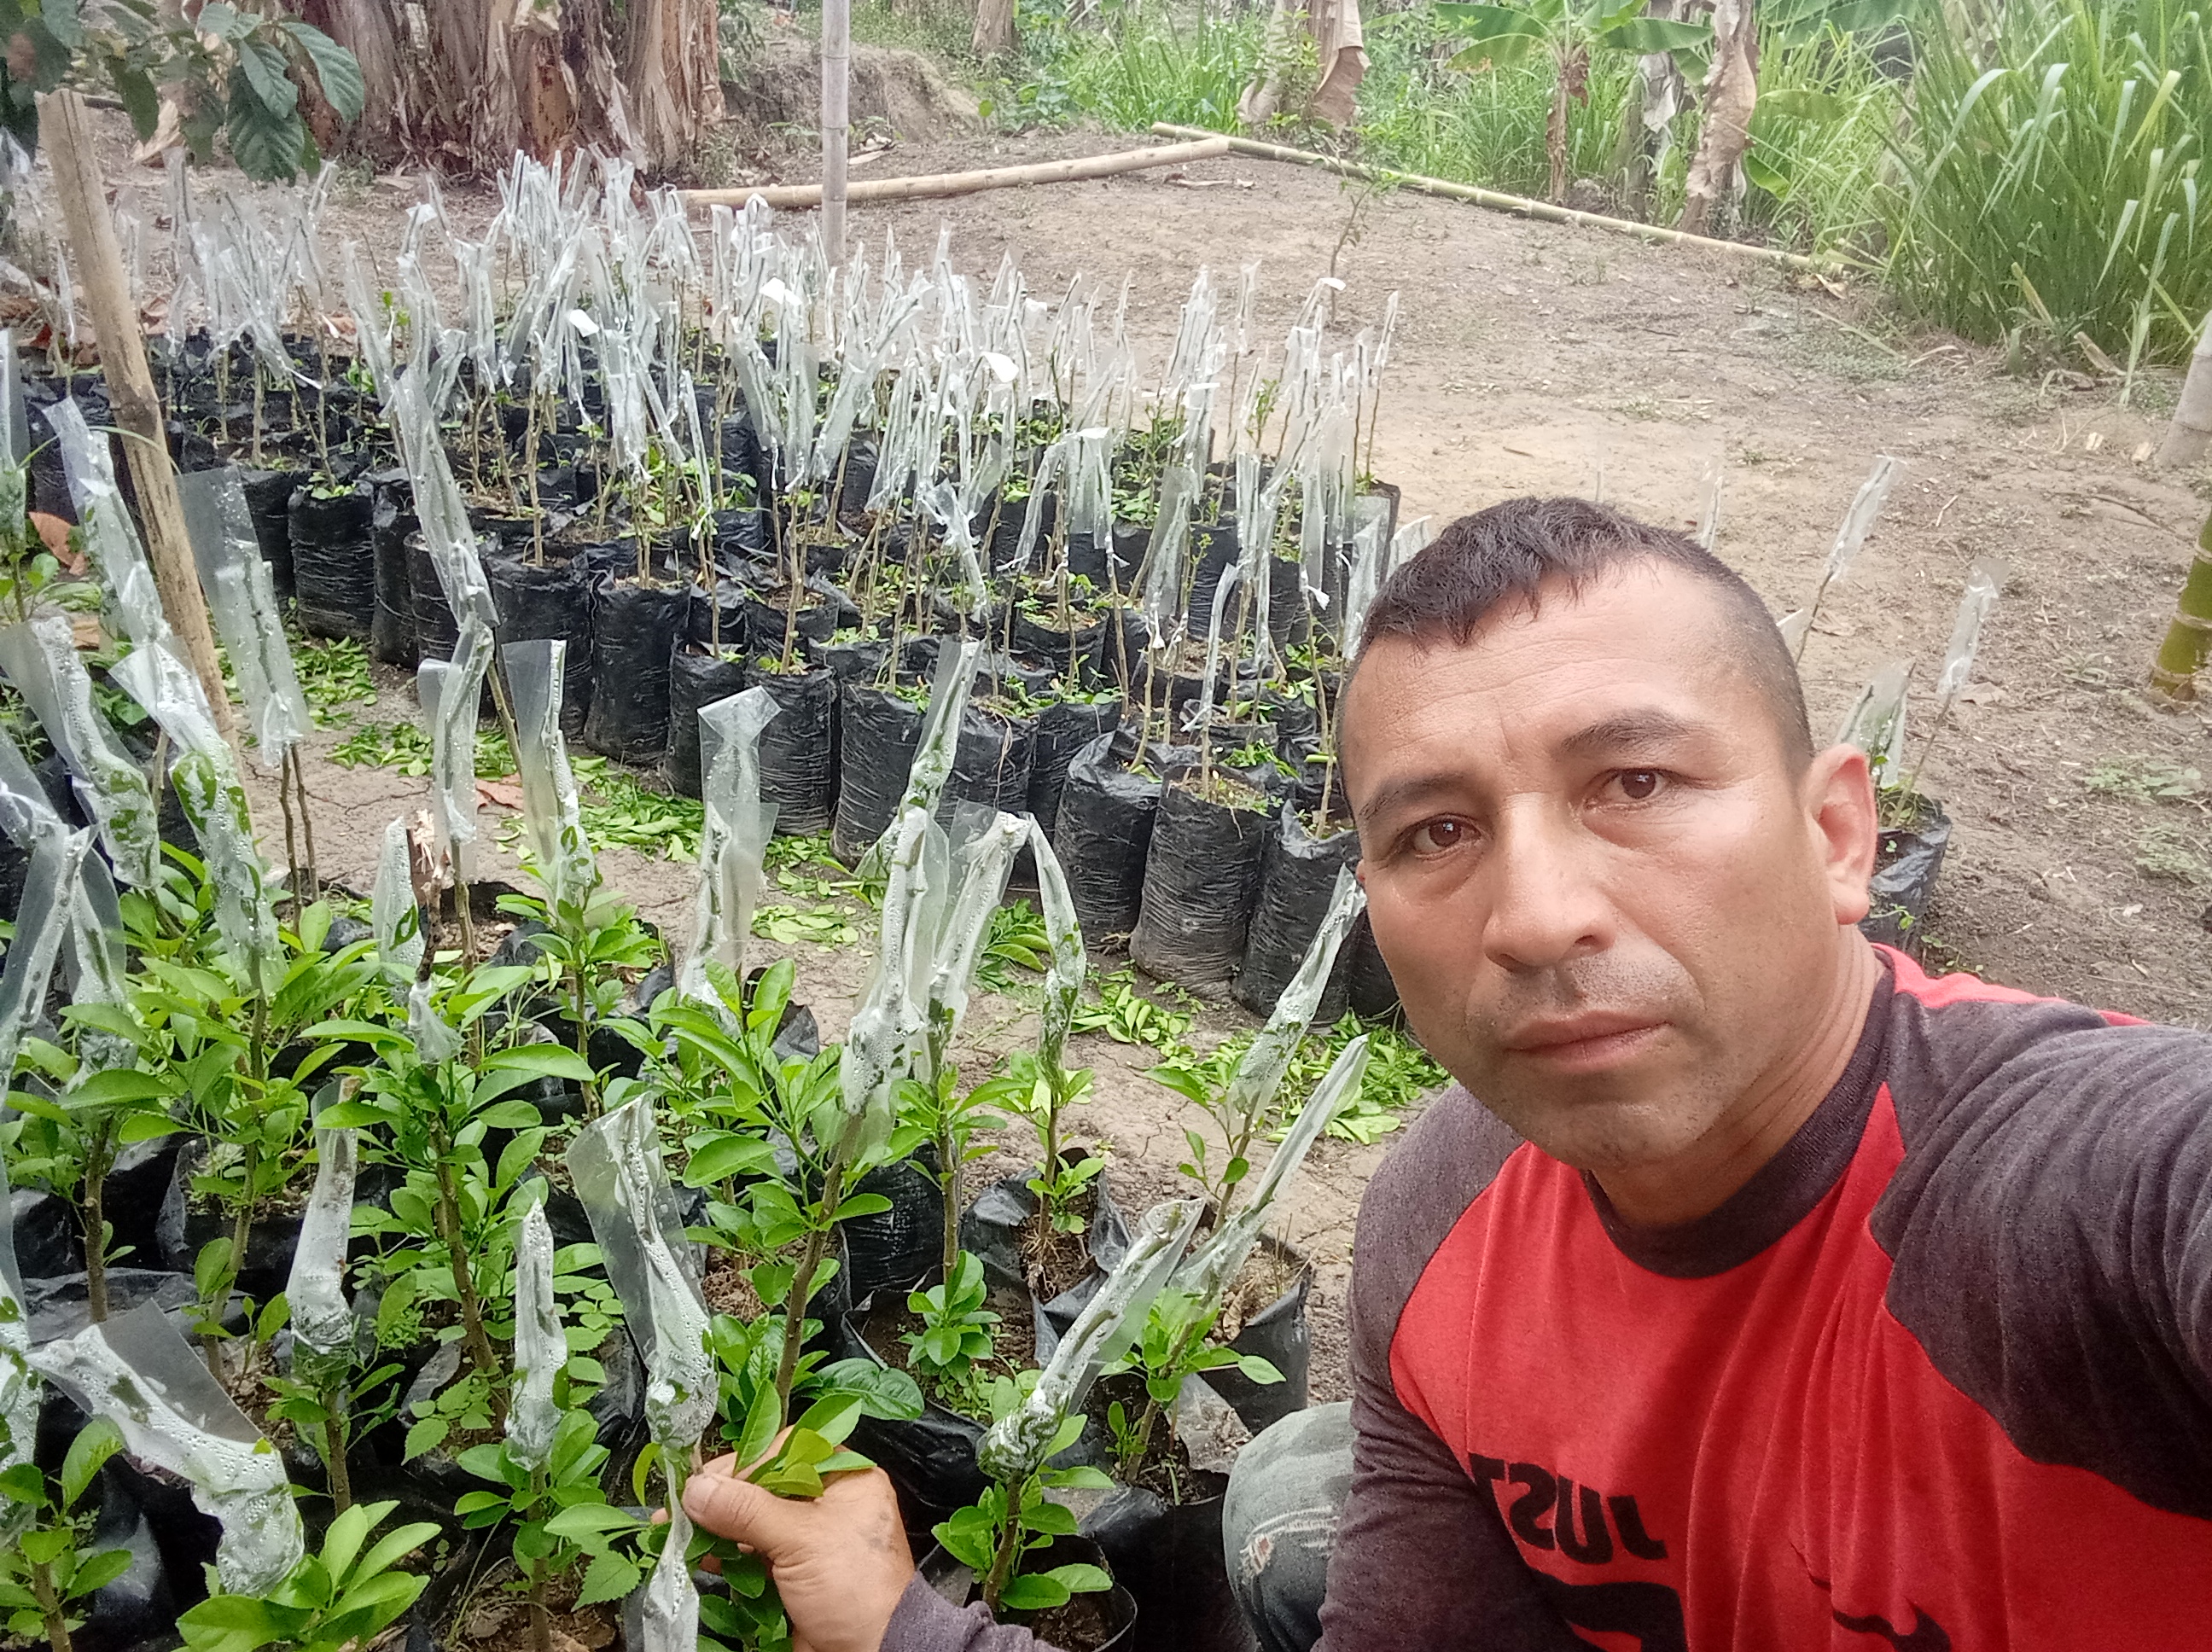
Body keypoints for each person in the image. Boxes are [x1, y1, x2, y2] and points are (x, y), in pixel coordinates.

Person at [685, 496, 2212, 1650]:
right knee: (1295, 1502)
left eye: (1636, 781)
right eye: (1438, 832)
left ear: (1836, 838)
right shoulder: (1443, 1216)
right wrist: (904, 1622)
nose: (1537, 916)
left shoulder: (2067, 1195)